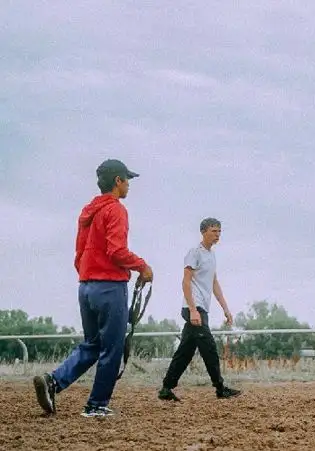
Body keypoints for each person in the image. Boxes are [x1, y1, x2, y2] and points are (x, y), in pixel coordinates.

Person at [33, 159, 154, 417]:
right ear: (118, 181)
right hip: (110, 288)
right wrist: (142, 266)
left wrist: (88, 276)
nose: (129, 185)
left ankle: (53, 381)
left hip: (86, 287)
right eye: (127, 180)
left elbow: (79, 254)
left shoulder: (88, 212)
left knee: (92, 344)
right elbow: (117, 251)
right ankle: (97, 405)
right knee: (112, 348)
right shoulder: (116, 210)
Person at [158, 218, 241, 401]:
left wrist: (226, 308)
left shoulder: (211, 255)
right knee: (209, 348)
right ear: (203, 232)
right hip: (194, 308)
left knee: (185, 351)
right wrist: (193, 310)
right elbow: (186, 282)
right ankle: (220, 388)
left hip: (202, 308)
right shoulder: (194, 253)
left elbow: (214, 283)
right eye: (213, 231)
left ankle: (166, 388)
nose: (217, 235)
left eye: (219, 231)